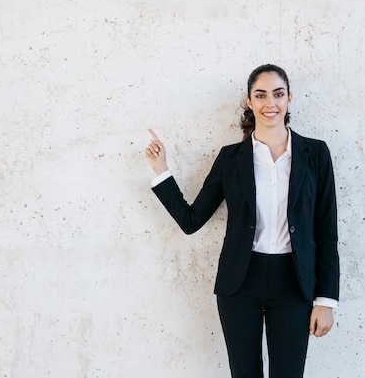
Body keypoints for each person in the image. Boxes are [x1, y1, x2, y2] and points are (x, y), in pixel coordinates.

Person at [144, 64, 339, 378]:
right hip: (240, 283)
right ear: (250, 101)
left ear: (289, 98)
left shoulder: (315, 154)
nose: (269, 103)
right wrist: (162, 171)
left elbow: (326, 231)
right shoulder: (231, 158)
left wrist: (326, 299)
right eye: (260, 95)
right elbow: (191, 220)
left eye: (277, 94)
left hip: (295, 283)